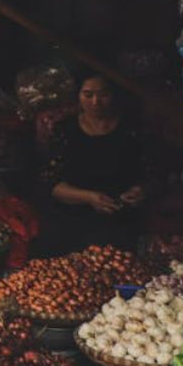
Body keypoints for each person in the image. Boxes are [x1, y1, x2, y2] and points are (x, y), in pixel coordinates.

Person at [37, 73, 156, 255]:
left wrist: (140, 191)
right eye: (88, 95)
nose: (95, 102)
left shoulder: (133, 129)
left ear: (114, 95)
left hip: (119, 219)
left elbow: (151, 174)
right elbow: (50, 183)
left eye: (103, 94)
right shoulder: (64, 130)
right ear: (78, 96)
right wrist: (89, 197)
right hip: (71, 220)